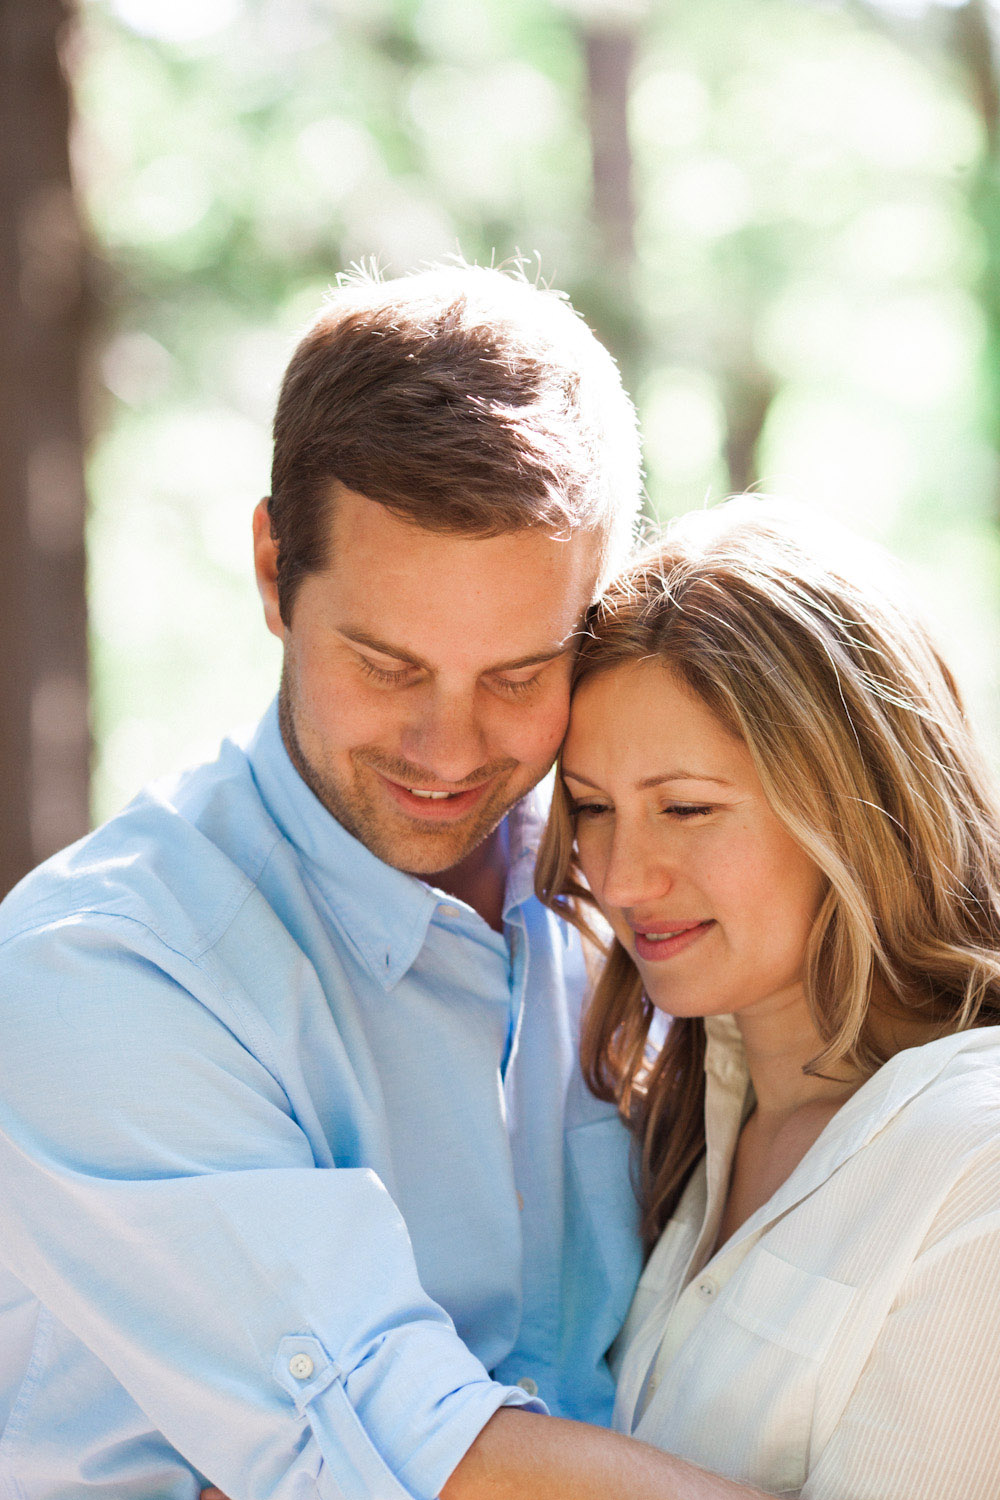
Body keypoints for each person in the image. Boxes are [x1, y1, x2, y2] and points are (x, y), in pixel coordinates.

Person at [0, 263, 652, 1499]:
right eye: (386, 665)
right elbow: (408, 1460)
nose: (453, 751)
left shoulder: (634, 913)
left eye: (519, 674)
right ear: (270, 573)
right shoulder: (95, 978)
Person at [525, 497, 1000, 1498]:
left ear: (857, 800)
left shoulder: (975, 1158)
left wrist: (459, 1464)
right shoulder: (674, 1130)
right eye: (593, 809)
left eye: (687, 809)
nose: (617, 878)